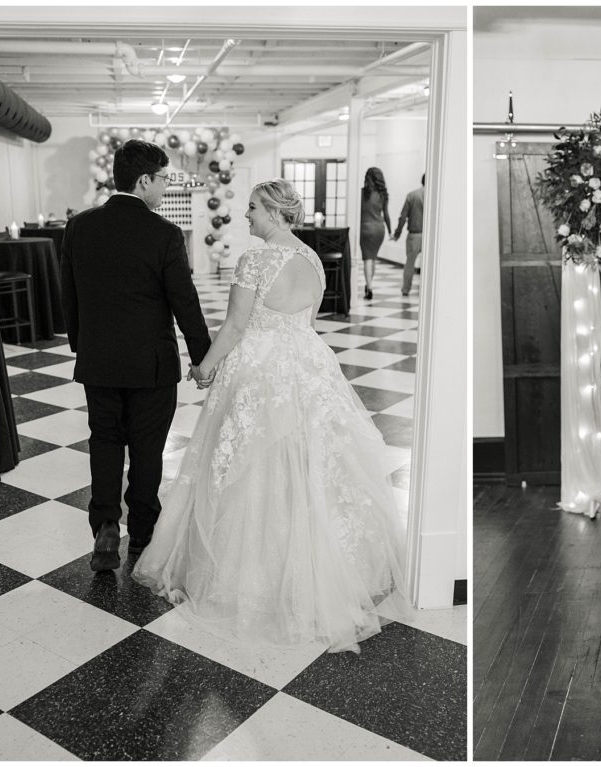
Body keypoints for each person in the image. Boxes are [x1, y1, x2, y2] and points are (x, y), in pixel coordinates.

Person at [132, 179, 409, 652]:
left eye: (254, 208)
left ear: (278, 213)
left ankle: (253, 576)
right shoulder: (314, 260)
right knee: (307, 466)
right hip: (307, 366)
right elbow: (308, 323)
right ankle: (315, 570)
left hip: (260, 370)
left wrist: (205, 367)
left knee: (250, 467)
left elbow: (236, 325)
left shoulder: (255, 260)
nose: (248, 216)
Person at [60, 139, 211, 573]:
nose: (165, 187)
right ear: (144, 180)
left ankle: (106, 524)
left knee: (105, 441)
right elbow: (185, 300)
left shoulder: (79, 226)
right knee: (147, 450)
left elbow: (67, 293)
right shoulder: (164, 233)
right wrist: (202, 357)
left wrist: (80, 344)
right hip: (152, 365)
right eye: (163, 178)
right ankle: (142, 532)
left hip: (99, 361)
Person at [359, 167, 391, 300]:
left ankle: (369, 287)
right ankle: (369, 284)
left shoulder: (363, 193)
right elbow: (386, 215)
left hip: (365, 229)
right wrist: (390, 231)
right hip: (379, 229)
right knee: (373, 259)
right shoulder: (383, 194)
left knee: (367, 259)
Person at [391, 173, 424, 297]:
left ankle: (406, 289)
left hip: (414, 235)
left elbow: (403, 217)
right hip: (431, 237)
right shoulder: (435, 196)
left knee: (410, 264)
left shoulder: (412, 195)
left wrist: (397, 234)